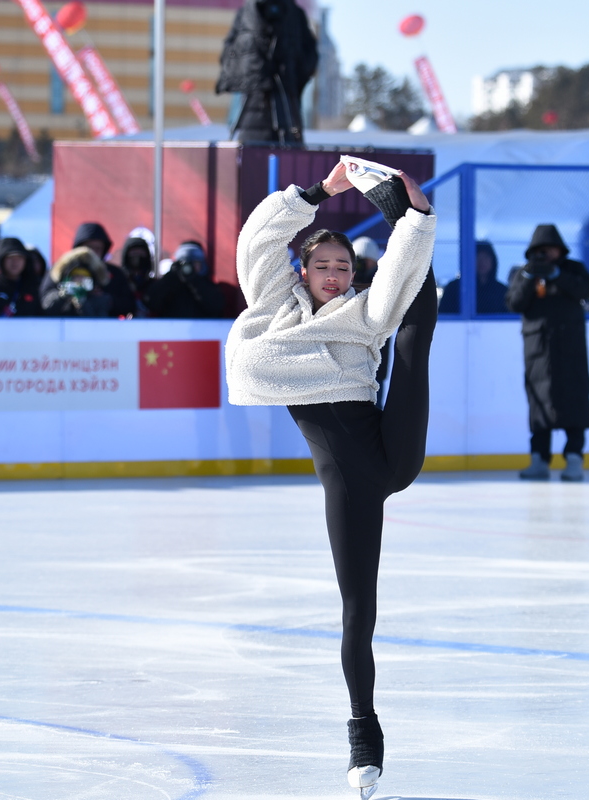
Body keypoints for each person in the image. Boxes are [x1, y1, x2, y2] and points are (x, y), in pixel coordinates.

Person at [225, 160, 436, 794]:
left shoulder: (364, 315)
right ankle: (363, 735)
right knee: (357, 609)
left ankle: (411, 220)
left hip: (390, 451)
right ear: (304, 271)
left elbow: (399, 275)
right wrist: (319, 192)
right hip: (350, 480)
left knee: (415, 322)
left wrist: (412, 213)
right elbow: (257, 238)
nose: (335, 276)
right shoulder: (272, 310)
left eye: (344, 268)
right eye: (324, 266)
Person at [505, 224, 589, 482]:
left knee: (575, 403)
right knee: (539, 406)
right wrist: (531, 277)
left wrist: (556, 275)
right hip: (538, 355)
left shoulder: (572, 269)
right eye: (540, 251)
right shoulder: (525, 273)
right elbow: (514, 303)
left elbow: (585, 290)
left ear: (560, 250)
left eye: (550, 250)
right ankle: (539, 460)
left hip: (571, 353)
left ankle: (574, 458)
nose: (545, 255)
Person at [216, 0, 318, 145]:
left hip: (275, 104)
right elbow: (310, 56)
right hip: (263, 104)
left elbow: (229, 55)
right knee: (286, 159)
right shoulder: (293, 14)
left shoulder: (248, 13)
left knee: (251, 159)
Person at [72, 221, 137, 318]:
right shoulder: (65, 270)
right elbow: (47, 300)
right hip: (71, 328)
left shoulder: (115, 273)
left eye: (98, 248)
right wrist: (71, 292)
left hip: (109, 329)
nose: (93, 252)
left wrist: (107, 299)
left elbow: (130, 305)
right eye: (89, 247)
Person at [146, 242, 227, 318]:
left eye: (194, 262)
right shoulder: (170, 284)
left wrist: (195, 280)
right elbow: (151, 302)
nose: (189, 267)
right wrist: (172, 276)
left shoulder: (209, 286)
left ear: (202, 264)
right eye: (185, 262)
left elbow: (216, 306)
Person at [438, 240, 509, 314]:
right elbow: (444, 317)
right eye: (477, 257)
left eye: (486, 257)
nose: (482, 262)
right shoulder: (454, 289)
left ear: (493, 261)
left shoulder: (502, 292)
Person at [41, 246, 113, 317]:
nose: (79, 281)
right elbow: (47, 310)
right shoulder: (58, 294)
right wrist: (62, 296)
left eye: (84, 277)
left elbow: (97, 321)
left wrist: (82, 302)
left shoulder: (101, 299)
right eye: (75, 276)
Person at [119, 226, 157, 316]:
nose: (137, 256)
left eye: (141, 252)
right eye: (133, 252)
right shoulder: (118, 284)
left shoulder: (154, 285)